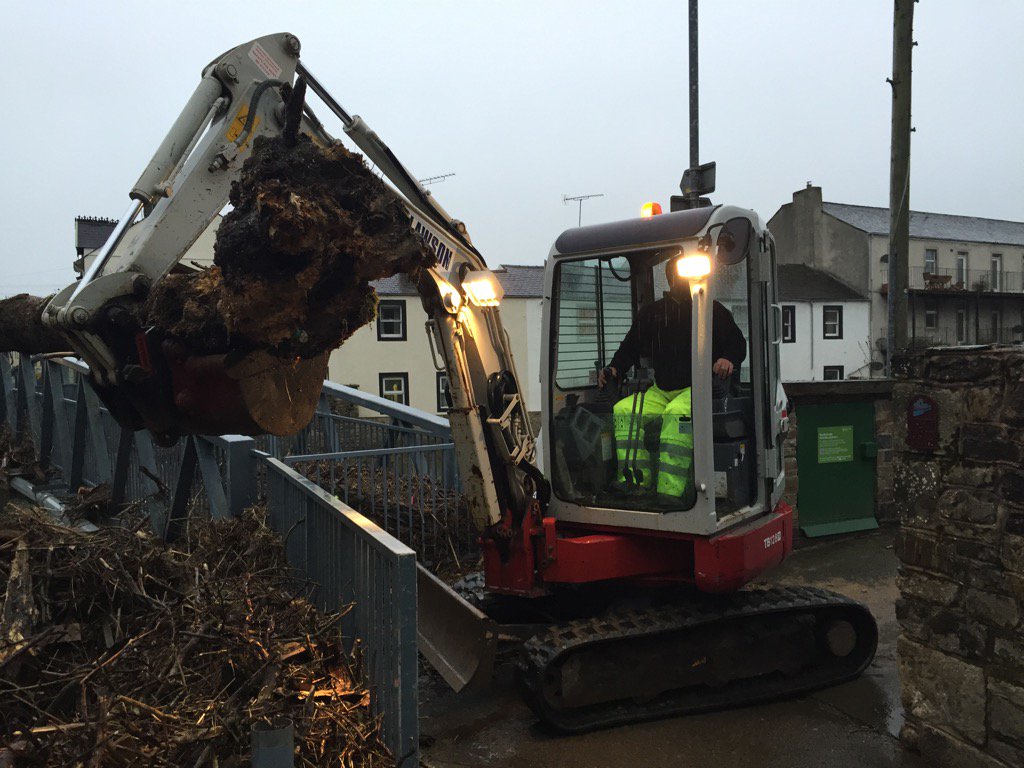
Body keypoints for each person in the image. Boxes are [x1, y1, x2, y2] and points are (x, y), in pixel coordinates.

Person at [599, 258, 746, 499]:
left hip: (697, 388)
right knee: (624, 411)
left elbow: (737, 343)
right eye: (674, 275)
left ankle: (670, 492)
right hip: (661, 389)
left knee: (676, 414)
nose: (677, 280)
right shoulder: (653, 314)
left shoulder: (711, 311)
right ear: (669, 277)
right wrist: (615, 368)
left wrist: (728, 358)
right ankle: (635, 481)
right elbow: (629, 347)